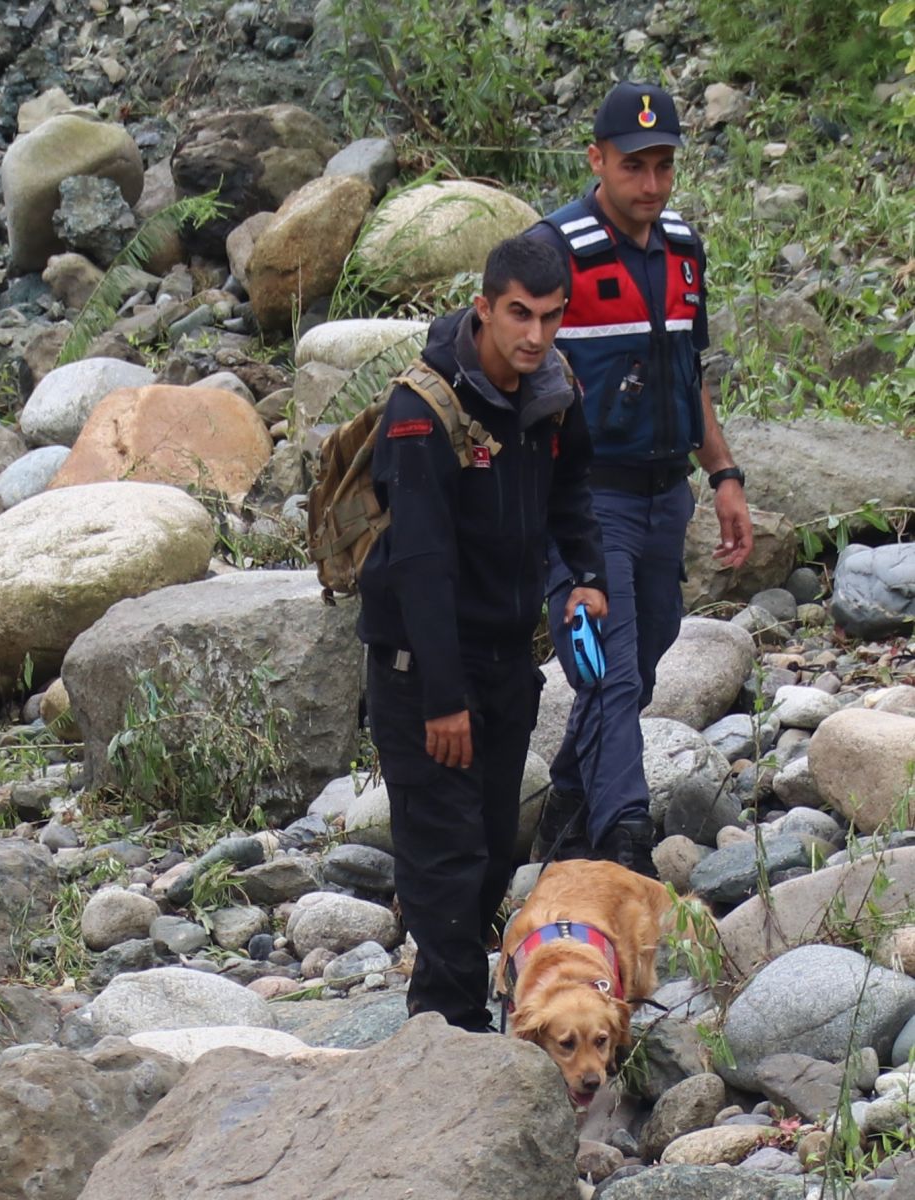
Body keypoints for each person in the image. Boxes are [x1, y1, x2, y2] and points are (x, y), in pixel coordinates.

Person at [357, 237, 608, 1033]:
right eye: (518, 316)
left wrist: (590, 575)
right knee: (446, 859)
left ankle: (453, 1012)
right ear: (484, 308)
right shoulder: (424, 410)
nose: (534, 337)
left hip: (506, 662)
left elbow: (572, 491)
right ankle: (451, 1033)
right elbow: (421, 565)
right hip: (422, 671)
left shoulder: (553, 392)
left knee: (495, 849)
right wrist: (442, 701)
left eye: (550, 317)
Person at [525, 81, 753, 876]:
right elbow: (511, 374)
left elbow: (690, 373)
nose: (651, 185)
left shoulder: (683, 249)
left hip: (664, 495)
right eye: (634, 166)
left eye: (663, 166)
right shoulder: (554, 251)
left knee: (645, 654)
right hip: (585, 504)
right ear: (597, 159)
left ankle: (565, 799)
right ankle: (626, 843)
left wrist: (722, 473)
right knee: (608, 671)